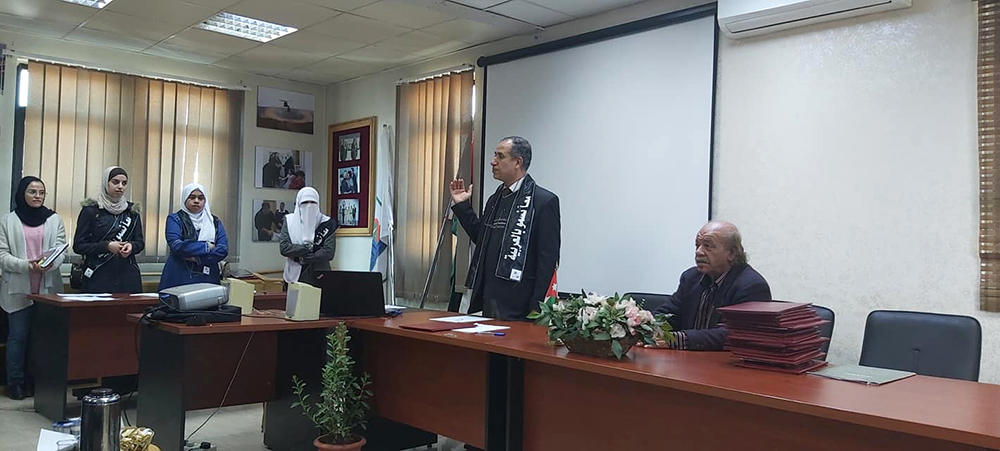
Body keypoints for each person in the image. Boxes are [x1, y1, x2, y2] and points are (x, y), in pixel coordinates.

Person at [450, 136, 560, 320]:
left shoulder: (543, 201)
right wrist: (462, 206)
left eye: (500, 156)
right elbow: (482, 239)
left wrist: (536, 308)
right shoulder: (496, 199)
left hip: (520, 305)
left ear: (518, 162)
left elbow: (547, 260)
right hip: (488, 299)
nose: (493, 162)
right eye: (495, 155)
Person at [642, 220, 771, 351]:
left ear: (731, 253)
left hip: (724, 361)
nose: (699, 252)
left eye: (708, 246)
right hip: (685, 359)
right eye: (697, 245)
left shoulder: (752, 286)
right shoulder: (691, 278)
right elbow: (668, 314)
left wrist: (677, 339)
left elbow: (734, 334)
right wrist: (644, 329)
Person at [0, 177, 66, 400]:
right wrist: (26, 265)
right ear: (22, 194)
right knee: (18, 337)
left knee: (44, 338)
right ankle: (16, 383)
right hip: (18, 289)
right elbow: (2, 255)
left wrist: (49, 264)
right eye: (32, 192)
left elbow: (61, 249)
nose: (37, 196)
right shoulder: (7, 221)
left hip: (48, 288)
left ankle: (38, 382)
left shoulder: (54, 219)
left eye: (41, 192)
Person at [73, 167, 145, 294]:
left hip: (127, 276)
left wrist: (131, 246)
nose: (120, 186)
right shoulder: (91, 211)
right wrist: (107, 246)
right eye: (115, 182)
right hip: (98, 275)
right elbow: (79, 246)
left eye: (124, 183)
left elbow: (140, 243)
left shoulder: (132, 211)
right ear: (106, 183)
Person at [158, 183, 229, 290]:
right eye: (192, 197)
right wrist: (207, 246)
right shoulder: (175, 219)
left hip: (208, 276)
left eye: (200, 198)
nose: (196, 201)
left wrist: (198, 259)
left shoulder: (214, 222)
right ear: (185, 198)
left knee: (207, 300)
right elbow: (177, 246)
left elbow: (223, 249)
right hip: (180, 275)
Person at [279, 187, 337, 287]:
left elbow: (329, 252)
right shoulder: (289, 221)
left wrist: (306, 256)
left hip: (320, 274)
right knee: (295, 297)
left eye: (313, 202)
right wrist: (306, 249)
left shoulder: (327, 223)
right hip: (294, 274)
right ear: (298, 203)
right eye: (305, 202)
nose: (309, 206)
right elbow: (284, 247)